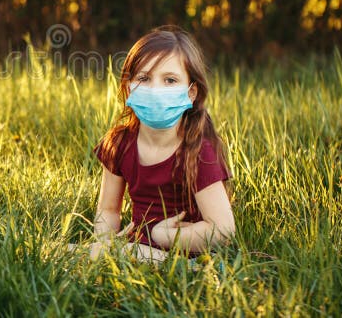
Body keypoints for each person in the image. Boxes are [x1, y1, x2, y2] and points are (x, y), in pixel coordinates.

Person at [90, 26, 234, 262]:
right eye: (144, 78)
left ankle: (185, 270)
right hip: (135, 247)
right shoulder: (119, 143)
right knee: (64, 251)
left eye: (170, 80)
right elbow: (108, 210)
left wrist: (163, 236)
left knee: (126, 253)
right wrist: (105, 242)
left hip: (185, 253)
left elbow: (223, 230)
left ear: (191, 93)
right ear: (128, 88)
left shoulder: (197, 150)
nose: (156, 90)